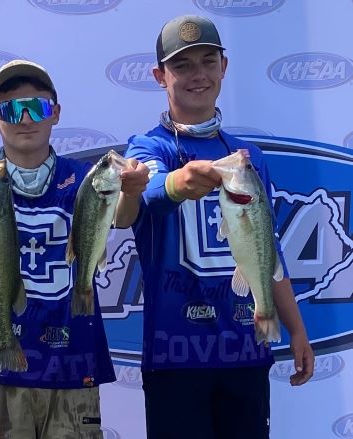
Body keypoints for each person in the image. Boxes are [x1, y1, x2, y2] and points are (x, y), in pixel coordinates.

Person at [0, 59, 149, 439]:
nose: (26, 119)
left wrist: (129, 190)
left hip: (73, 358)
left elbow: (125, 217)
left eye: (39, 107)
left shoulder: (86, 178)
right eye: (12, 109)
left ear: (56, 114)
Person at [124, 15, 314, 439]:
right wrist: (178, 182)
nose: (199, 75)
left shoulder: (248, 158)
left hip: (246, 353)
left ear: (224, 68)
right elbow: (149, 191)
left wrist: (297, 329)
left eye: (208, 62)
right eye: (183, 65)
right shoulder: (148, 146)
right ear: (160, 76)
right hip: (175, 358)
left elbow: (269, 250)